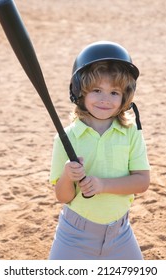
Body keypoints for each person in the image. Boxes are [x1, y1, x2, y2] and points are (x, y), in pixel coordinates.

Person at [48, 41, 150, 260]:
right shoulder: (66, 138)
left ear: (125, 96)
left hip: (120, 234)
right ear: (79, 92)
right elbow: (63, 196)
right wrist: (68, 175)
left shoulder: (131, 133)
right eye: (96, 90)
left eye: (114, 92)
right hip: (74, 236)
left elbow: (142, 182)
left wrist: (103, 185)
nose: (105, 99)